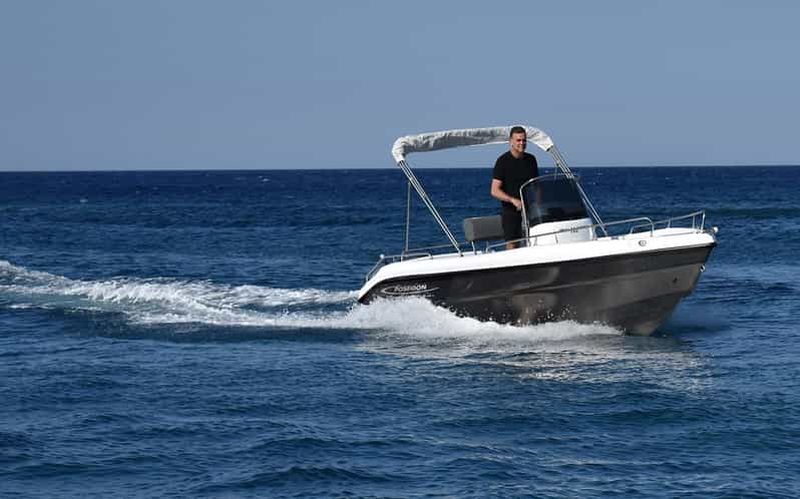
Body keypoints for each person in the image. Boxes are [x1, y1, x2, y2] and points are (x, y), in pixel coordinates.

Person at [490, 126, 539, 250]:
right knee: (513, 242)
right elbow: (494, 190)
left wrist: (538, 201)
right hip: (511, 210)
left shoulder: (531, 160)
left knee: (538, 238)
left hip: (530, 209)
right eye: (518, 140)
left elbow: (536, 185)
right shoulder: (502, 161)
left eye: (524, 140)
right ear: (511, 141)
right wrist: (513, 200)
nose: (521, 143)